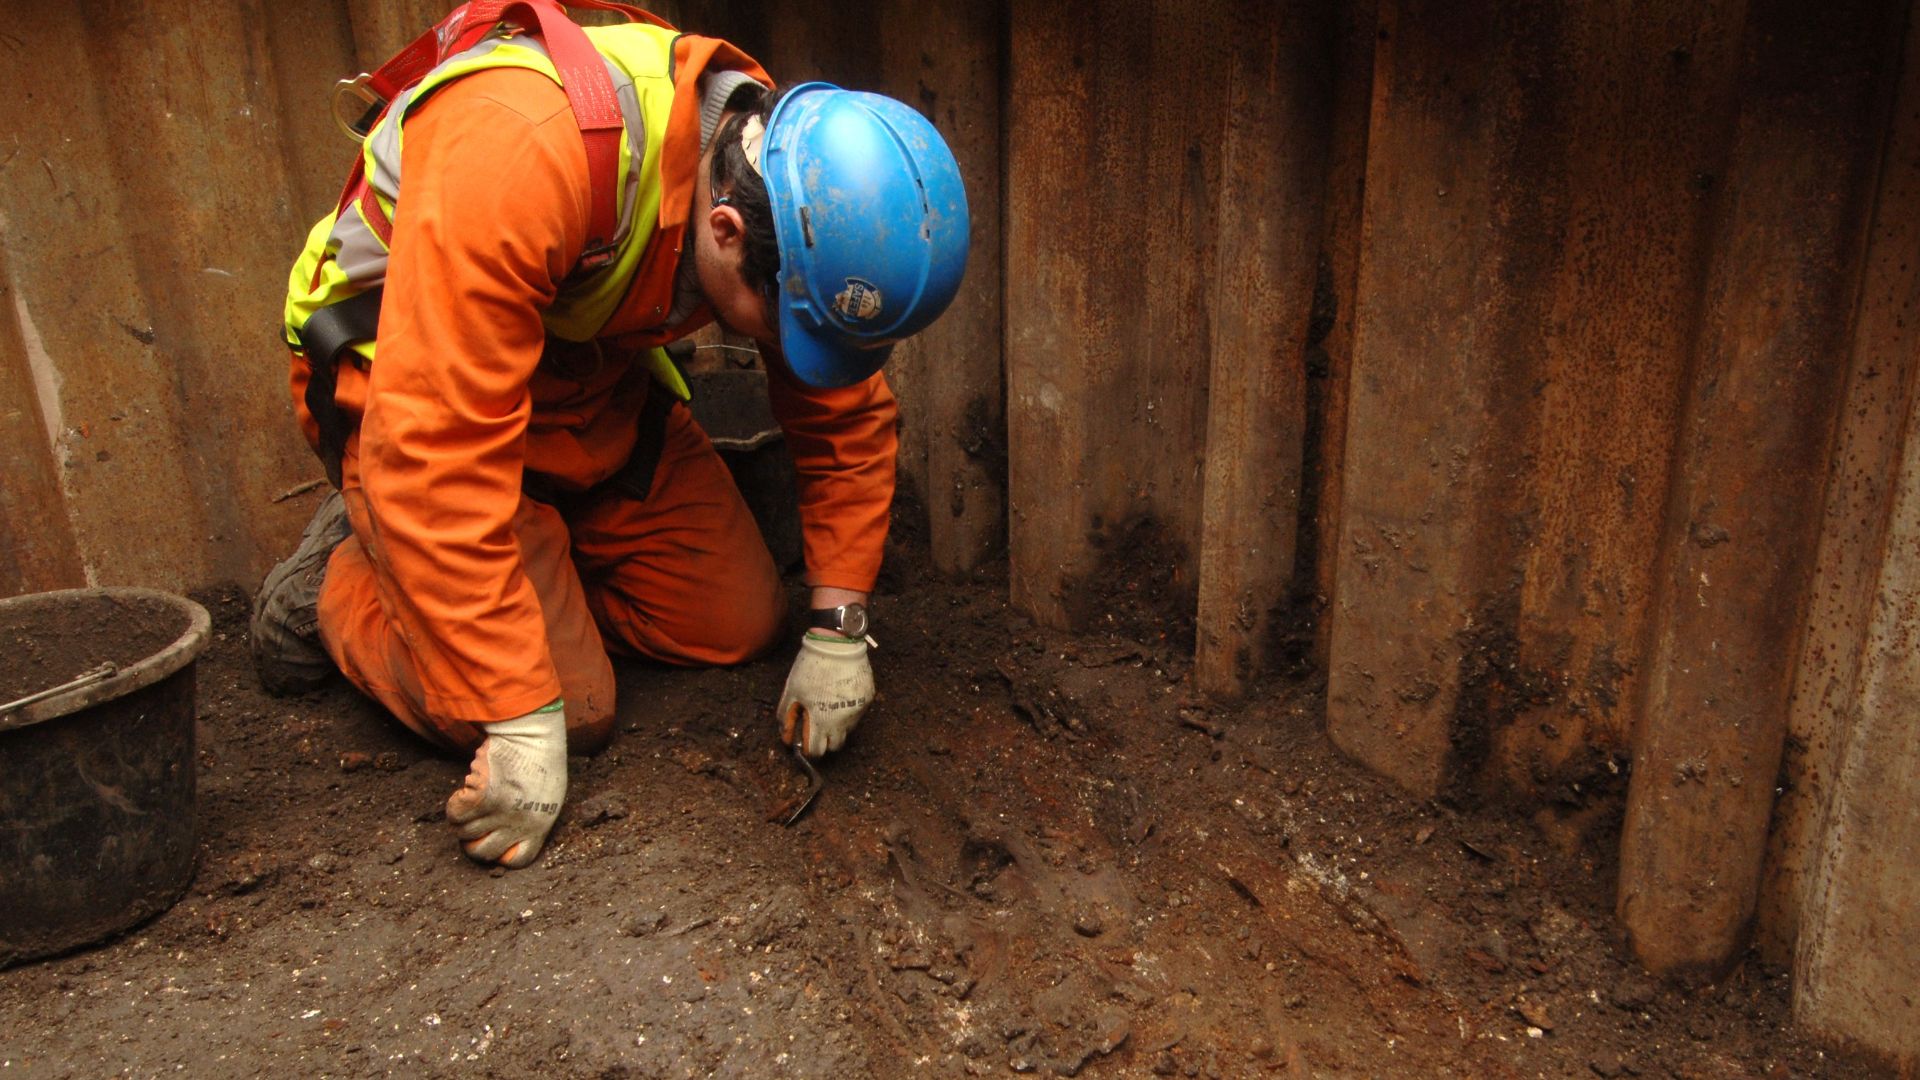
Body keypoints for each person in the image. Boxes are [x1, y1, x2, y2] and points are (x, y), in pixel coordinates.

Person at [250, 0, 969, 869]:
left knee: (739, 623)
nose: (789, 354)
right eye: (787, 328)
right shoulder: (522, 147)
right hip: (408, 392)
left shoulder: (789, 165)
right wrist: (519, 715)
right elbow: (436, 445)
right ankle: (344, 581)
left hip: (576, 382)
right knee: (568, 711)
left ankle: (524, 560)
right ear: (726, 232)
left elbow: (844, 413)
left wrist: (839, 624)